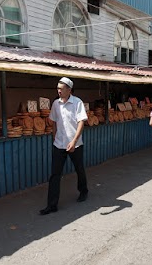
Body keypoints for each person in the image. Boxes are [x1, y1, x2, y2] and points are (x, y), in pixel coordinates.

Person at [39, 77, 88, 215]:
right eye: (58, 88)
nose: (58, 90)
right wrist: (54, 136)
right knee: (55, 174)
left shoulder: (77, 103)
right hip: (59, 144)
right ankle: (52, 205)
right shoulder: (56, 104)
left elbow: (81, 123)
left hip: (75, 145)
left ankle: (83, 191)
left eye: (61, 88)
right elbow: (54, 121)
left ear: (69, 90)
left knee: (79, 169)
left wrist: (74, 141)